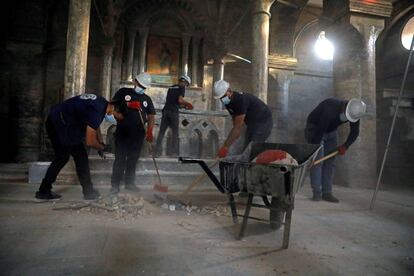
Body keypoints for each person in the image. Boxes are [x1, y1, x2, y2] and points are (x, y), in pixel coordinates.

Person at [35, 93, 124, 200]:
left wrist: (100, 142)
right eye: (116, 117)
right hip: (59, 123)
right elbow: (90, 141)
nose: (115, 120)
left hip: (62, 121)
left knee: (74, 157)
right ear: (113, 107)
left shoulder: (102, 103)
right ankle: (87, 192)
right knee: (70, 157)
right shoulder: (97, 111)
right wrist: (102, 148)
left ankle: (86, 191)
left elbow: (95, 125)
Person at [305, 98, 366, 203]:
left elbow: (354, 132)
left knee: (330, 162)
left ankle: (327, 193)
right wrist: (315, 150)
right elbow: (319, 133)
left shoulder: (355, 111)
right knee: (318, 161)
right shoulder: (329, 109)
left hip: (332, 131)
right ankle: (317, 192)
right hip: (315, 129)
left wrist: (346, 146)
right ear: (345, 108)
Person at [110, 72, 156, 194]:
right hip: (123, 134)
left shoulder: (147, 99)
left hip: (138, 136)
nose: (142, 88)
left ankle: (129, 183)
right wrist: (127, 105)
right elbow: (110, 107)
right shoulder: (123, 92)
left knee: (133, 160)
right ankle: (115, 185)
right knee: (120, 159)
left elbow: (151, 116)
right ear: (135, 81)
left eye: (144, 87)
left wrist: (150, 130)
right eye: (140, 84)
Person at [213, 80, 273, 158]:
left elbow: (237, 128)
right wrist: (234, 144)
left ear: (229, 91)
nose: (223, 100)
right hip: (252, 124)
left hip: (264, 122)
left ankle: (254, 167)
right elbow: (237, 126)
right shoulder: (228, 103)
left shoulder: (240, 100)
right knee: (245, 148)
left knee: (252, 149)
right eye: (220, 98)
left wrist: (225, 147)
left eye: (223, 97)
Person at [155, 75, 193, 157]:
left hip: (165, 111)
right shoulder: (181, 87)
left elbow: (173, 102)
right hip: (173, 112)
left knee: (161, 132)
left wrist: (184, 106)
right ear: (184, 82)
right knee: (175, 133)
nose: (186, 86)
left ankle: (156, 152)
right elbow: (180, 100)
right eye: (186, 84)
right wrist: (187, 104)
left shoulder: (171, 87)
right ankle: (173, 153)